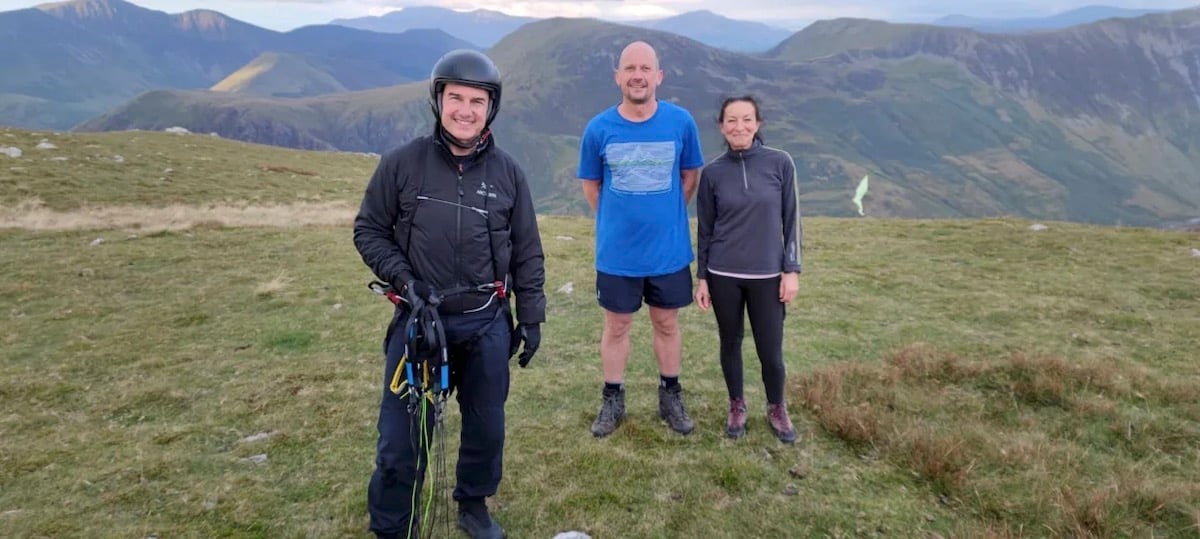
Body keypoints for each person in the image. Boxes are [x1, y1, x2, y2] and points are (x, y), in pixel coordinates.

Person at [353, 48, 546, 539]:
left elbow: (527, 250)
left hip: (486, 323)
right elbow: (369, 230)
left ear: (491, 107)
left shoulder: (508, 174)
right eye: (455, 97)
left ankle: (473, 506)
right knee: (400, 438)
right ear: (438, 100)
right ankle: (393, 526)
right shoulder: (402, 165)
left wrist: (531, 317)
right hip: (420, 323)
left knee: (486, 428)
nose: (465, 110)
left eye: (476, 100)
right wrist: (404, 279)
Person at [577, 41, 705, 438]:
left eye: (645, 68)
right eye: (630, 68)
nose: (637, 75)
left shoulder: (681, 122)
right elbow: (592, 187)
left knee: (666, 323)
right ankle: (612, 399)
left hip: (668, 253)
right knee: (616, 326)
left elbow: (690, 178)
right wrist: (621, 221)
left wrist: (664, 216)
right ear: (618, 76)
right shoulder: (598, 129)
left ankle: (670, 396)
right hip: (617, 255)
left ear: (658, 77)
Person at [694, 95, 801, 444]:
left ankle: (776, 407)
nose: (739, 127)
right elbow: (706, 230)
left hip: (769, 276)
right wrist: (703, 278)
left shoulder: (780, 163)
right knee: (731, 342)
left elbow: (792, 219)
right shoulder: (711, 173)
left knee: (770, 348)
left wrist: (791, 270)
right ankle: (736, 404)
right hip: (724, 274)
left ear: (758, 123)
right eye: (732, 121)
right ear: (721, 126)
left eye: (746, 119)